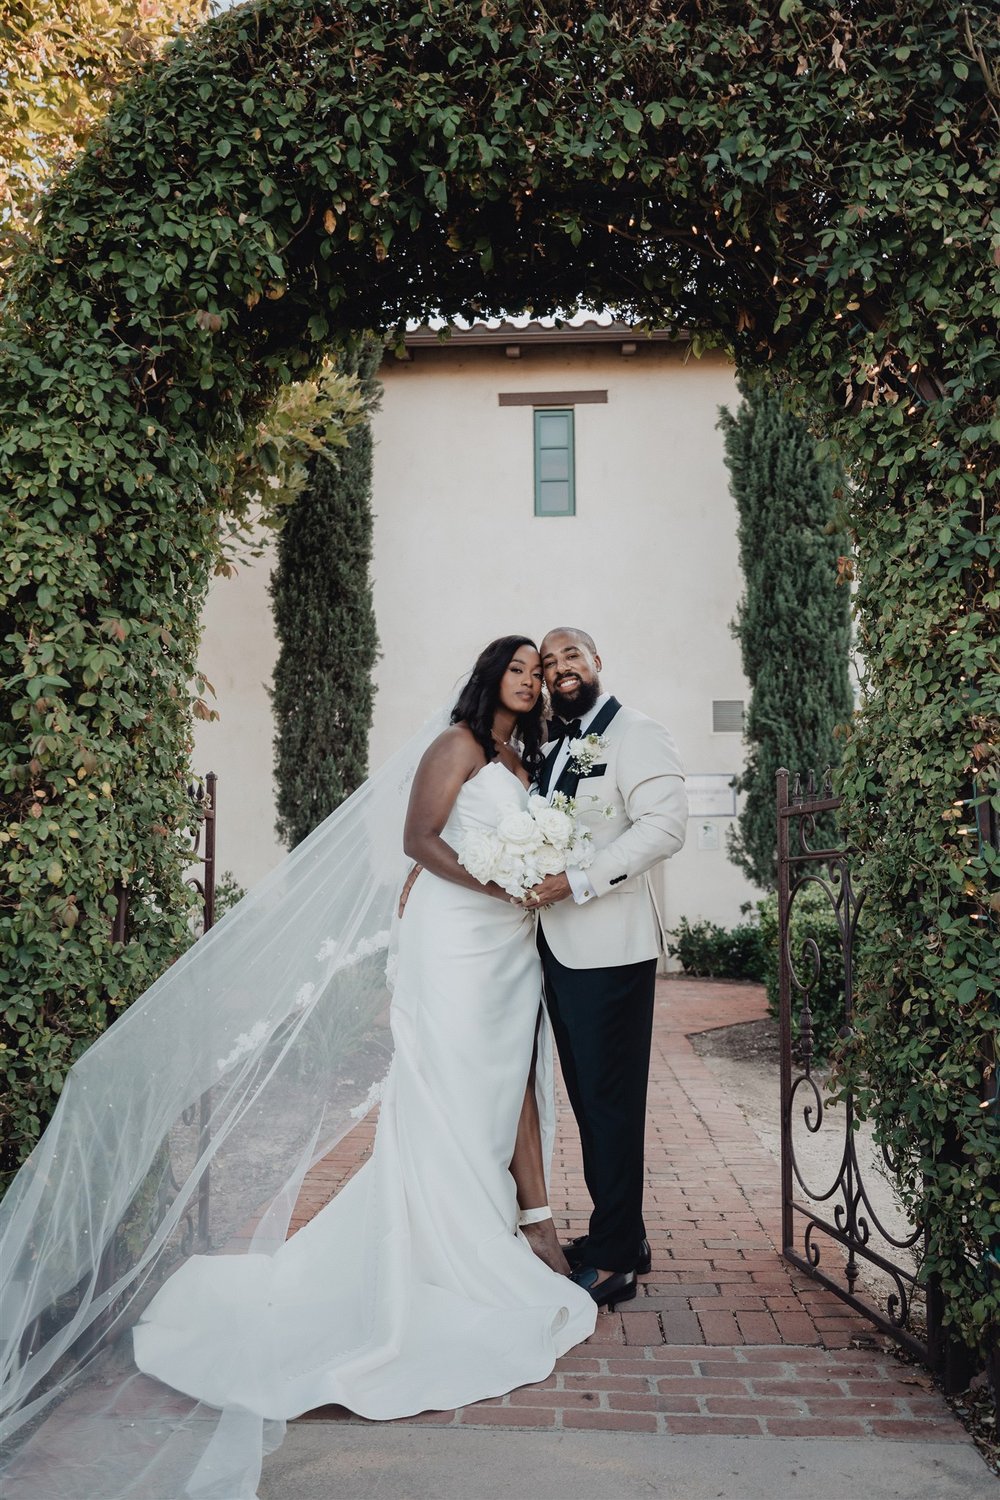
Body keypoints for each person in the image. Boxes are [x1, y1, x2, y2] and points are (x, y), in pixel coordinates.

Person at [130, 636, 597, 1423]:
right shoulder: (456, 745)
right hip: (455, 934)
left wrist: (529, 877)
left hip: (509, 942)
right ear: (491, 676)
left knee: (510, 1074)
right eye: (514, 668)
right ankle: (458, 1243)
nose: (526, 681)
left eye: (534, 672)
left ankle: (529, 1225)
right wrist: (499, 879)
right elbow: (420, 841)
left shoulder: (527, 760)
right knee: (448, 1078)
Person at [522, 627, 688, 1310]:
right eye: (549, 660)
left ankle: (616, 1259)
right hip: (557, 951)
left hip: (612, 950)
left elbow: (664, 827)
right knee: (593, 1102)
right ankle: (623, 1233)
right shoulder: (551, 744)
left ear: (597, 664)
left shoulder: (636, 732)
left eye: (572, 656)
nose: (561, 668)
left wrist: (579, 880)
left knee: (610, 1104)